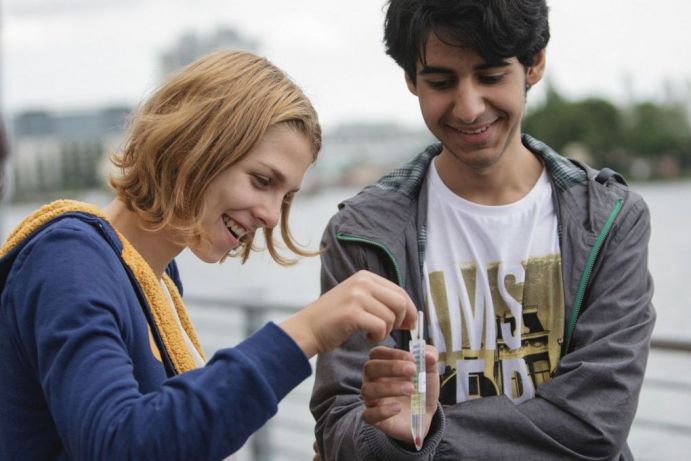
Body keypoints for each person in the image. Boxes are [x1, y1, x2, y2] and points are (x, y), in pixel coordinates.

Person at [0, 50, 418, 461]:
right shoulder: (69, 259)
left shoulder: (154, 279)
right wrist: (303, 332)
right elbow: (118, 443)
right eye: (261, 181)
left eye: (286, 196)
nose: (272, 216)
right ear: (194, 146)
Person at [310, 1, 655, 459]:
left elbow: (594, 422)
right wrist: (392, 436)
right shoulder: (359, 233)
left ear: (534, 64)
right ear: (411, 79)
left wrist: (426, 436)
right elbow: (339, 425)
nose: (469, 108)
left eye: (491, 76)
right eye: (440, 82)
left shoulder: (612, 218)